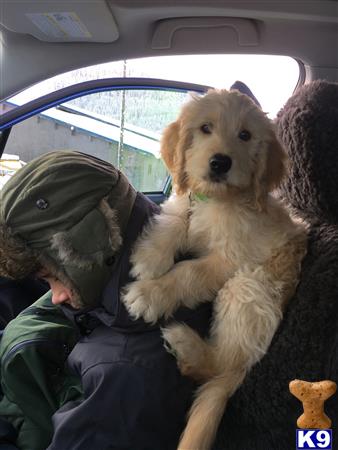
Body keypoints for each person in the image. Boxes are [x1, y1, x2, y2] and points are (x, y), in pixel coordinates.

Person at [0, 150, 211, 450]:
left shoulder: (126, 375)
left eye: (52, 276)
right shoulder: (117, 278)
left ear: (89, 245)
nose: (56, 296)